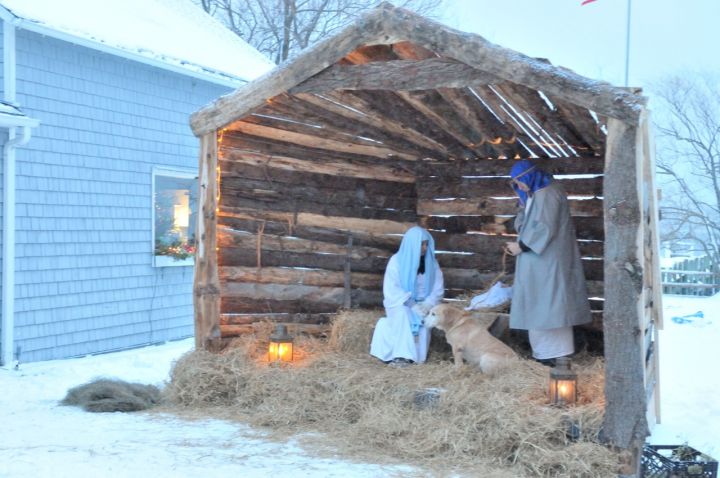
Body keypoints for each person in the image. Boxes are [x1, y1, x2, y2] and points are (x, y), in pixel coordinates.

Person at [504, 160, 591, 366]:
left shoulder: (548, 193)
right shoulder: (538, 194)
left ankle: (554, 356)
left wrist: (522, 246)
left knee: (549, 307)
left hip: (548, 261)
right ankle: (544, 354)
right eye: (515, 183)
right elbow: (526, 224)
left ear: (528, 176)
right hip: (540, 262)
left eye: (520, 181)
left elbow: (544, 227)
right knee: (541, 307)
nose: (519, 186)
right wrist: (524, 203)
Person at [370, 225, 444, 366]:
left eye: (426, 244)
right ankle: (402, 357)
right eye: (421, 244)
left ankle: (415, 358)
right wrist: (411, 304)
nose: (424, 247)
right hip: (401, 303)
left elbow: (438, 288)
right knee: (403, 314)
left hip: (425, 305)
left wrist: (428, 304)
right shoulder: (396, 261)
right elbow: (392, 288)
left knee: (425, 323)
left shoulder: (432, 264)